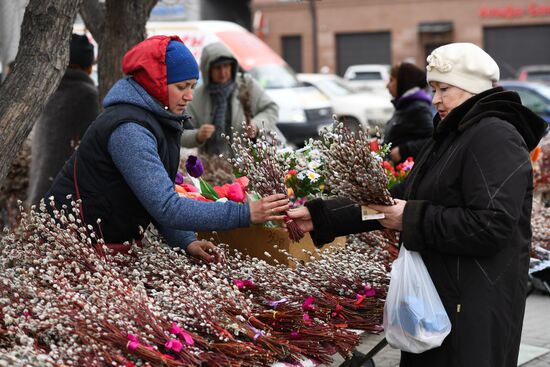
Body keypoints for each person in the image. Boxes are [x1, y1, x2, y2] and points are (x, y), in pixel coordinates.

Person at [288, 43, 547, 366]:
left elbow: (489, 225)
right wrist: (323, 216)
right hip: (439, 302)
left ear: (471, 88)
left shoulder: (495, 137)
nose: (435, 99)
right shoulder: (452, 134)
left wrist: (410, 217)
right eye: (433, 89)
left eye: (444, 89)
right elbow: (396, 201)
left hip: (473, 309)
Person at [45, 35, 289, 263]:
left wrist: (185, 241)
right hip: (69, 247)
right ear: (156, 84)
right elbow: (166, 205)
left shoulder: (157, 120)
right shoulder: (129, 129)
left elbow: (154, 198)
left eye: (193, 86)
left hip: (98, 246)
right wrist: (244, 213)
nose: (190, 96)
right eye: (182, 86)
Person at [27, 34, 99, 206]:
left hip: (38, 188)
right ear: (87, 67)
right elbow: (94, 146)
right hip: (67, 196)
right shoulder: (87, 95)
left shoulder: (47, 92)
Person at [181, 41, 279, 156]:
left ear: (233, 66)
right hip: (212, 168)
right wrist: (197, 135)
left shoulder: (246, 85)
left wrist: (256, 125)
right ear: (207, 70)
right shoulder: (196, 96)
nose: (223, 72)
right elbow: (180, 132)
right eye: (217, 68)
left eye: (226, 66)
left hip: (246, 165)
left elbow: (271, 109)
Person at [383, 62, 433, 163]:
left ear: (403, 82)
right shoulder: (404, 104)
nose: (387, 85)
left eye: (392, 80)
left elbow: (432, 139)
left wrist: (403, 150)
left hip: (408, 172)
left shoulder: (418, 108)